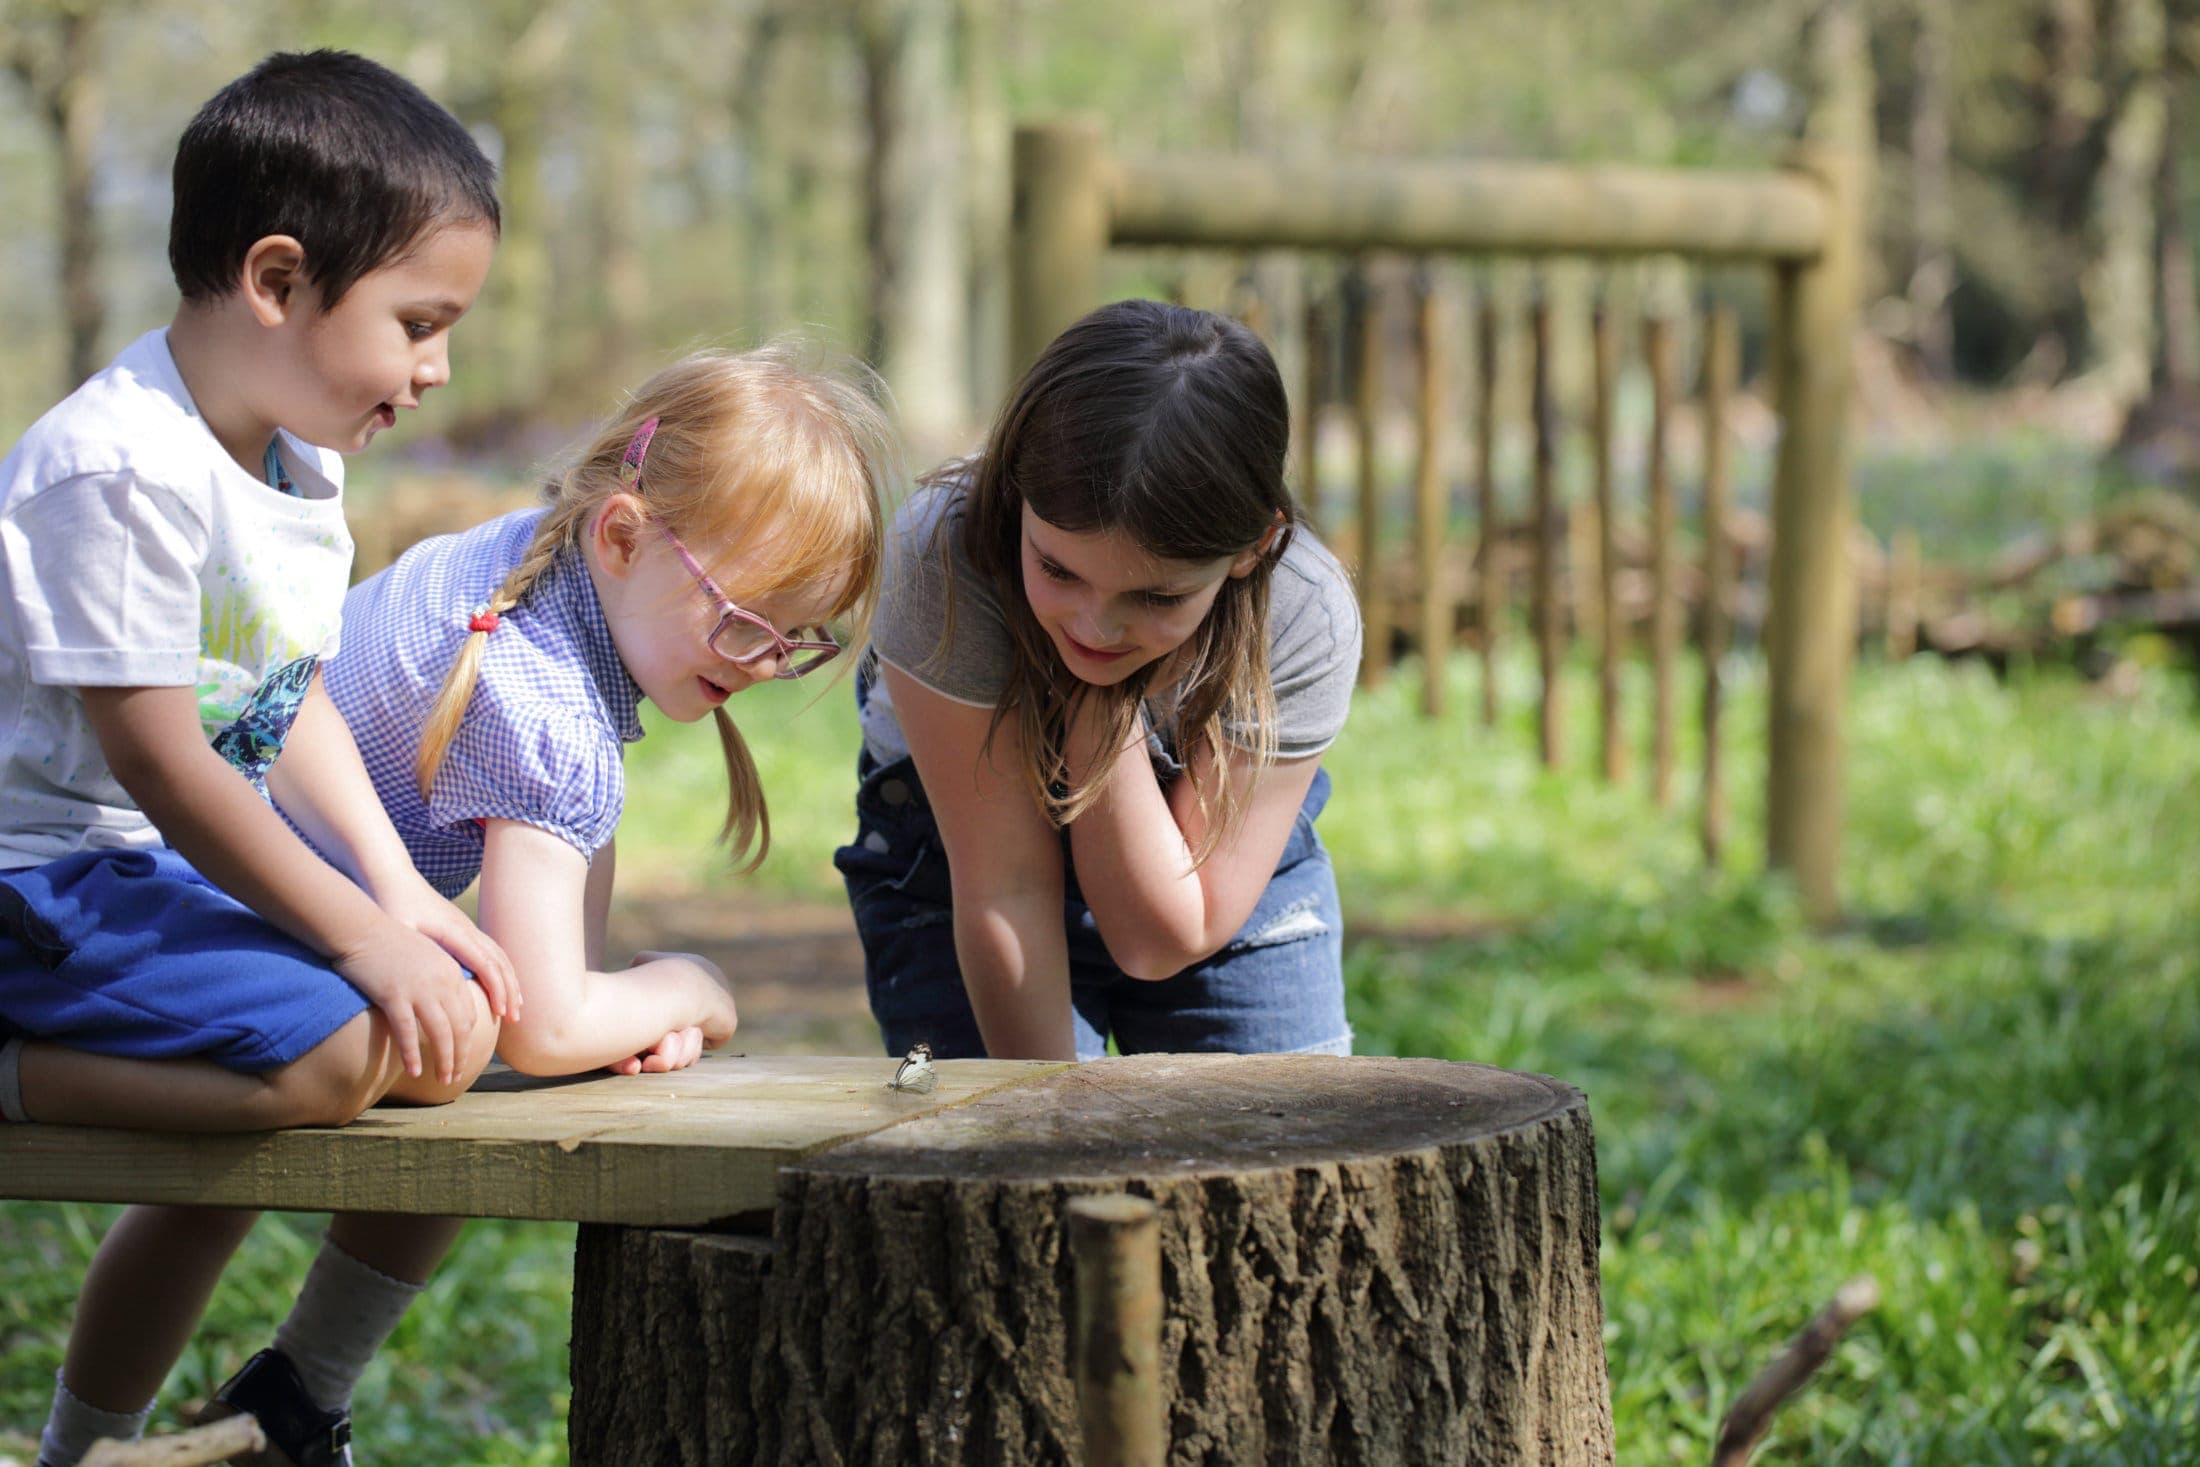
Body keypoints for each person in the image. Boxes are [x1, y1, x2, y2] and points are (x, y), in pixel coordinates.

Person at [0, 52, 515, 1467]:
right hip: (47, 885)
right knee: (342, 1047)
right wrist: (359, 936)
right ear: (280, 280)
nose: (439, 366)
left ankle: (282, 1400)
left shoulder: (297, 461)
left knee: (466, 1011)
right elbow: (167, 764)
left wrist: (404, 903)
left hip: (156, 875)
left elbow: (287, 702)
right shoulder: (113, 469)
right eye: (419, 321)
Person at [325, 345, 890, 1078]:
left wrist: (615, 1017)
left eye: (796, 639)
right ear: (623, 536)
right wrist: (692, 989)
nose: (763, 664)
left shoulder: (529, 563)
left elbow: (568, 998)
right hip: (224, 910)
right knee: (442, 1046)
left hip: (261, 895)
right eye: (746, 621)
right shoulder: (546, 707)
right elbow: (544, 1031)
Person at [835, 299, 1362, 1063]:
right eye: (1057, 569)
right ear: (1017, 494)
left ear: (1257, 546)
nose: (1095, 627)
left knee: (1284, 1152)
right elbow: (1004, 888)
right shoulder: (939, 561)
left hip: (1211, 891)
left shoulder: (1304, 611)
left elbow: (1162, 938)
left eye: (1156, 596)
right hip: (960, 877)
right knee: (997, 1164)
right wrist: (1050, 1130)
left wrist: (1096, 706)